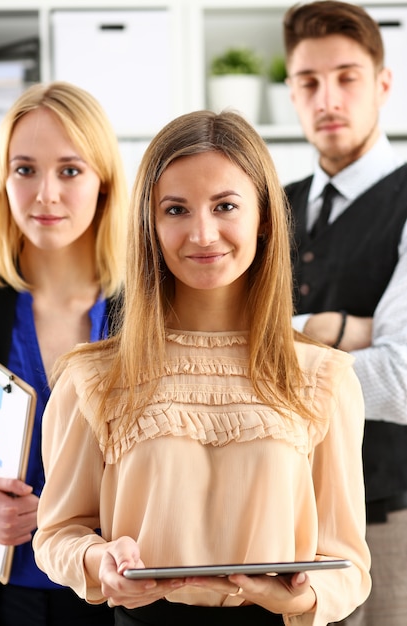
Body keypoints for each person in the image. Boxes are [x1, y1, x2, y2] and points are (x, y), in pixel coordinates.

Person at [33, 109, 370, 626]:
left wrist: (301, 598)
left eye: (225, 205)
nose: (203, 233)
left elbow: (348, 564)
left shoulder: (324, 377)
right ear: (149, 224)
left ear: (263, 218)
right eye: (176, 210)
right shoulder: (92, 379)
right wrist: (104, 564)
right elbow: (57, 535)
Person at [282, 2, 407, 625]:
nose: (327, 96)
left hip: (386, 513)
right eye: (308, 82)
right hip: (279, 513)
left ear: (383, 83)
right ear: (291, 92)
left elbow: (406, 380)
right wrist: (339, 330)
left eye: (347, 76)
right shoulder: (269, 204)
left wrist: (281, 340)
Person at [0, 80, 129, 625]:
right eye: (25, 169)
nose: (46, 193)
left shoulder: (146, 311)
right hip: (7, 595)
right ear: (4, 181)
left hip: (114, 590)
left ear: (104, 183)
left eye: (70, 170)